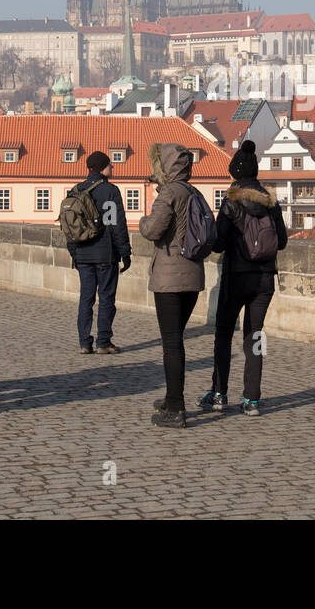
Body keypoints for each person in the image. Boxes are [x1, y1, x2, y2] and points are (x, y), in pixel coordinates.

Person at [201, 139, 287, 416]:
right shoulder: (271, 202)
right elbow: (282, 241)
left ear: (235, 174)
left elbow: (218, 243)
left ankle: (218, 394)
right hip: (264, 280)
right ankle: (252, 399)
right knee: (255, 336)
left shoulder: (231, 202)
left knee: (224, 334)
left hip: (236, 277)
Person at [140, 142, 206, 429]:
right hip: (193, 274)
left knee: (171, 344)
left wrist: (143, 220)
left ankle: (176, 407)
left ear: (165, 167)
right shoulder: (194, 192)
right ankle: (171, 397)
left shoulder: (169, 193)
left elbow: (153, 229)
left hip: (170, 276)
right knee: (176, 339)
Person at [67, 150, 130, 355]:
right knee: (106, 298)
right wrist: (125, 252)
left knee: (85, 298)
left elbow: (69, 227)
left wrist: (74, 253)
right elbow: (115, 224)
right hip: (105, 254)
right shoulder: (110, 191)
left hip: (83, 254)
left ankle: (84, 342)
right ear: (102, 168)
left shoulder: (76, 190)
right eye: (110, 164)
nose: (112, 167)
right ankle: (104, 341)